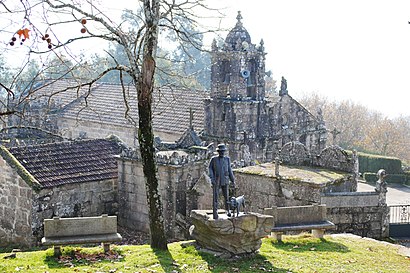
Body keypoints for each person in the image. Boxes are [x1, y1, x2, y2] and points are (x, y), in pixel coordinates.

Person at [209, 143, 235, 219]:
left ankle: (228, 210)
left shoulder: (227, 159)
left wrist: (232, 180)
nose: (222, 153)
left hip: (225, 179)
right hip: (217, 180)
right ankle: (215, 212)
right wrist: (212, 178)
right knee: (215, 197)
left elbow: (230, 170)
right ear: (218, 152)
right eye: (221, 151)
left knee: (226, 196)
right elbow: (210, 169)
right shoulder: (214, 159)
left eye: (223, 151)